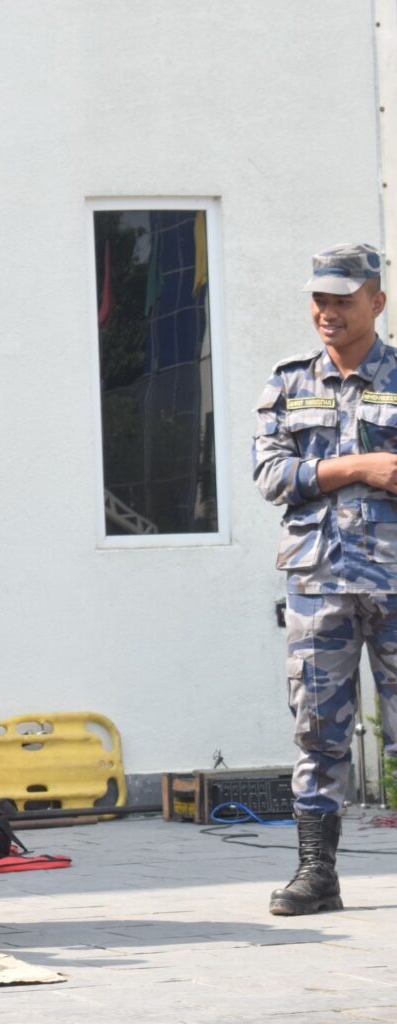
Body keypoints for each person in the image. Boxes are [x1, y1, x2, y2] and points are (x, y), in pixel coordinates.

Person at [252, 242, 397, 916]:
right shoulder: (288, 383)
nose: (328, 311)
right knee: (317, 730)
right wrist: (359, 468)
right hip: (319, 581)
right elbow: (271, 477)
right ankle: (317, 874)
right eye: (320, 298)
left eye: (342, 298)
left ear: (377, 301)